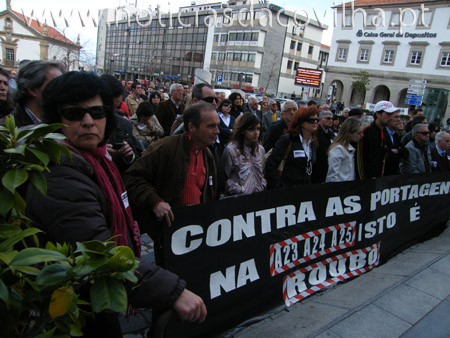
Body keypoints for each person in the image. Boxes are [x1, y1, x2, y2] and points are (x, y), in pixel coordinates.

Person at [25, 71, 206, 337]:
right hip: (74, 309)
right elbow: (98, 252)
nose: (88, 122)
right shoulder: (60, 176)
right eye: (75, 113)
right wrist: (172, 290)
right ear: (56, 119)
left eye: (97, 112)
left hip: (97, 297)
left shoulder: (96, 158)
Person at [124, 101, 218, 263]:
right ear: (191, 127)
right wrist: (155, 202)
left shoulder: (208, 154)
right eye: (210, 126)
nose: (217, 131)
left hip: (197, 231)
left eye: (217, 125)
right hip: (169, 232)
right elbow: (132, 178)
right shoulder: (165, 148)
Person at [265, 106, 319, 189]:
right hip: (285, 191)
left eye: (317, 120)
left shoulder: (313, 143)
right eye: (311, 120)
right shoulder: (287, 140)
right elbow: (271, 165)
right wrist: (277, 187)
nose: (315, 122)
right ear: (301, 123)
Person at [1, 60, 64, 127]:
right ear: (32, 89)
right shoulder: (5, 131)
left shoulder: (62, 123)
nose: (63, 91)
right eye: (56, 85)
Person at [222, 113, 266, 195]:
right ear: (243, 130)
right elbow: (225, 178)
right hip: (240, 199)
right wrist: (240, 190)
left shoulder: (260, 149)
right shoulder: (231, 150)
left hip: (259, 196)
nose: (256, 132)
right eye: (251, 129)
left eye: (258, 129)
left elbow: (262, 172)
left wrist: (262, 184)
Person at [356, 101, 399, 179]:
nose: (391, 117)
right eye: (388, 114)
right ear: (378, 114)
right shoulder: (366, 131)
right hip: (366, 181)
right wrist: (363, 181)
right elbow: (359, 159)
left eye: (392, 114)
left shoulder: (385, 132)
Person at [312, 110, 335, 183]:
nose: (331, 120)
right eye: (328, 118)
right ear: (321, 119)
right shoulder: (315, 132)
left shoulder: (331, 133)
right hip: (317, 168)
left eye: (332, 119)